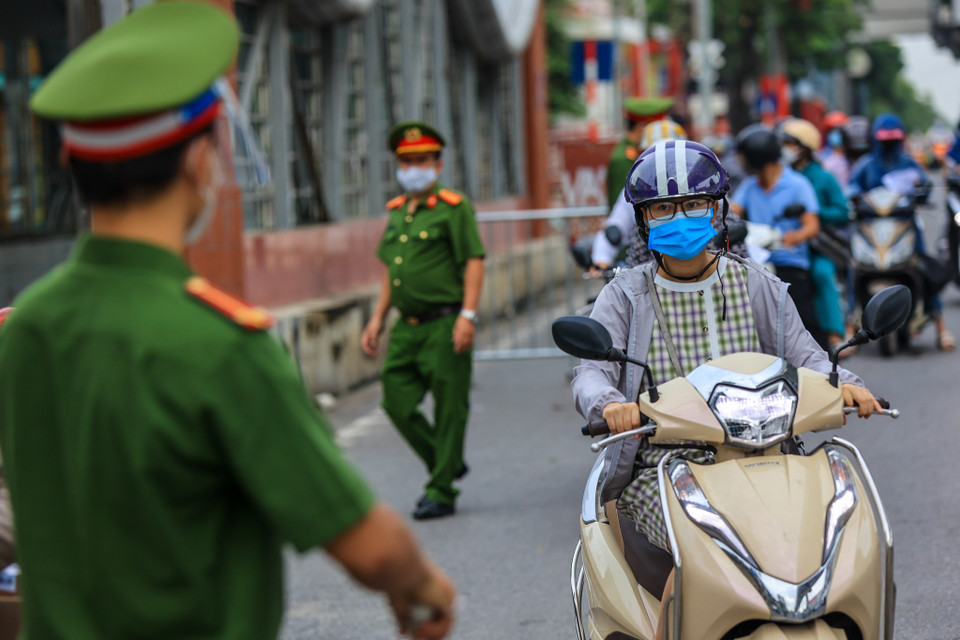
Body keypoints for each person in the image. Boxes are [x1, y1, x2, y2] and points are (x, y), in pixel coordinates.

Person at [0, 5, 455, 640]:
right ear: (197, 161)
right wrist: (422, 587)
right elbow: (366, 545)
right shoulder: (219, 343)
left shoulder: (24, 330)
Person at [571, 139, 880, 636]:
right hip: (667, 467)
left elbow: (809, 357)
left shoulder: (756, 283)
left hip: (773, 454)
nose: (681, 217)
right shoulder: (624, 293)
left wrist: (849, 386)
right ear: (644, 220)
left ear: (718, 210)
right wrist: (610, 404)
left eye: (694, 203)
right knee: (698, 564)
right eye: (665, 208)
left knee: (832, 541)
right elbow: (591, 370)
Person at [362, 121, 486, 520]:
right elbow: (391, 271)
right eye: (406, 161)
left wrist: (467, 315)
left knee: (450, 407)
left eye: (421, 160)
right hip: (406, 326)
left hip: (445, 323)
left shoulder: (453, 207)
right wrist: (377, 319)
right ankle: (444, 461)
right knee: (395, 399)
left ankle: (441, 489)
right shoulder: (399, 212)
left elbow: (473, 260)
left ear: (437, 163)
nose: (413, 167)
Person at [847, 113, 954, 351]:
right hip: (871, 227)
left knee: (923, 265)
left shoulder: (908, 163)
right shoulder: (866, 164)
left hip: (904, 224)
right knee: (854, 265)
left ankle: (940, 326)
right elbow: (851, 187)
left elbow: (924, 185)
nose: (889, 145)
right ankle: (847, 325)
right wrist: (857, 196)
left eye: (892, 140)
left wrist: (921, 189)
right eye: (885, 140)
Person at [730, 126, 827, 347]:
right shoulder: (750, 186)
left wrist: (796, 235)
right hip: (757, 263)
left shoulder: (797, 185)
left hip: (789, 263)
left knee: (805, 325)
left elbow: (812, 225)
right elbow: (732, 210)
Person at [781, 118, 853, 352]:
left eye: (789, 143)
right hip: (785, 243)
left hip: (817, 245)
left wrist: (813, 213)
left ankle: (834, 333)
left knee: (821, 274)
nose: (784, 148)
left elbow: (842, 211)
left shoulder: (823, 177)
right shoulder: (782, 176)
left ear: (804, 146)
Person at [606, 97, 675, 209]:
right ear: (642, 126)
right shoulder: (624, 159)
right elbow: (623, 204)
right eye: (656, 127)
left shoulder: (641, 152)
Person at [819, 110, 851, 186]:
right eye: (832, 130)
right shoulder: (822, 157)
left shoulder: (851, 157)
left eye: (839, 131)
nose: (835, 134)